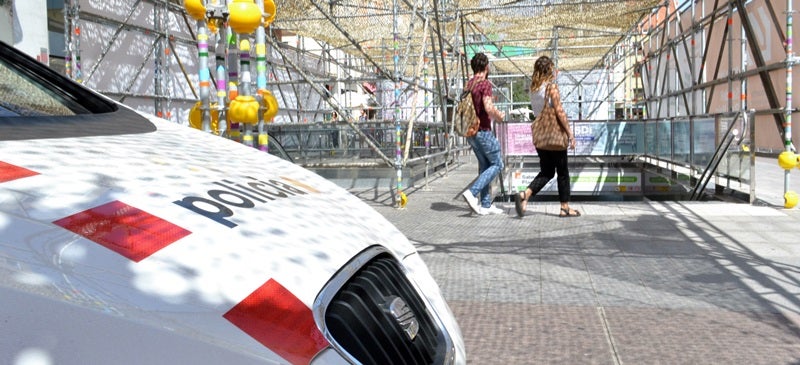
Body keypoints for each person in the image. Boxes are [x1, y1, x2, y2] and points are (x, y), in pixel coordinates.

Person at [515, 55, 581, 218]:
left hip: (541, 138)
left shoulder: (534, 89)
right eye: (552, 68)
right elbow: (558, 111)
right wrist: (570, 134)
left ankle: (525, 194)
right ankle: (564, 207)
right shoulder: (551, 88)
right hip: (554, 137)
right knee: (563, 171)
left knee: (547, 171)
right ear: (549, 70)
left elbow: (539, 113)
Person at [461, 53, 506, 216]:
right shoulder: (484, 84)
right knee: (498, 164)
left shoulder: (469, 84)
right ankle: (472, 192)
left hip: (471, 132)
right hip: (483, 131)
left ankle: (486, 205)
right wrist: (499, 115)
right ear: (486, 67)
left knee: (485, 166)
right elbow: (488, 107)